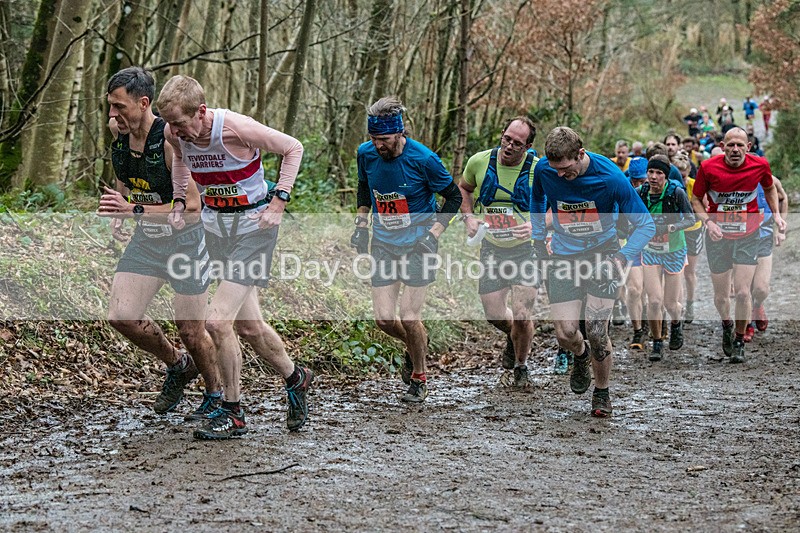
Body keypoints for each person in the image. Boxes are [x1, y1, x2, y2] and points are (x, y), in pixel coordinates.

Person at [157, 75, 313, 439]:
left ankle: (234, 412)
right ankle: (296, 377)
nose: (175, 131)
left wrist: (279, 200)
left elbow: (293, 148)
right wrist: (180, 199)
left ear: (201, 111)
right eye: (170, 124)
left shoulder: (236, 128)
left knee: (216, 321)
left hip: (255, 230)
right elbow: (180, 161)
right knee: (249, 327)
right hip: (217, 230)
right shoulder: (174, 135)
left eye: (180, 123)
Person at [97, 67, 221, 420]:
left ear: (143, 103)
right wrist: (121, 213)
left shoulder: (167, 139)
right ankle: (178, 365)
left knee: (192, 330)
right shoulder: (118, 135)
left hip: (186, 242)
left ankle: (216, 394)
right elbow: (126, 180)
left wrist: (133, 208)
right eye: (110, 106)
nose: (113, 114)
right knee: (122, 316)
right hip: (148, 241)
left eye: (119, 107)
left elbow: (194, 208)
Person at [530, 127, 655, 417]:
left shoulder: (611, 178)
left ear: (581, 154)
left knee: (597, 331)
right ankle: (581, 355)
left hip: (603, 255)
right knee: (566, 333)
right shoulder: (544, 171)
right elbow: (537, 202)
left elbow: (646, 224)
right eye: (555, 170)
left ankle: (601, 392)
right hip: (563, 255)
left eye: (566, 169)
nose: (560, 175)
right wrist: (538, 241)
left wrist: (623, 257)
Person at [351, 96, 462, 403]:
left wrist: (434, 234)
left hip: (418, 245)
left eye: (383, 140)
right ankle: (415, 347)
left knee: (410, 316)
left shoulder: (424, 159)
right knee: (385, 320)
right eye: (372, 139)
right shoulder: (366, 154)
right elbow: (364, 186)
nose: (377, 146)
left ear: (399, 133)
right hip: (384, 243)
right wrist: (361, 224)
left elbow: (453, 198)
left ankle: (419, 376)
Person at [691, 127, 787, 363]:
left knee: (744, 292)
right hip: (718, 236)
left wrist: (775, 215)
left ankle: (739, 339)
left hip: (748, 233)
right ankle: (726, 323)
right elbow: (696, 199)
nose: (735, 149)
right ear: (722, 147)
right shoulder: (708, 168)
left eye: (740, 145)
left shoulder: (760, 165)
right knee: (722, 296)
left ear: (748, 147)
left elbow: (769, 187)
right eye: (730, 145)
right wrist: (708, 224)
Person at [458, 117, 540, 388]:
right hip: (492, 247)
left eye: (517, 144)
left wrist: (536, 225)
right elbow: (465, 189)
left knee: (521, 313)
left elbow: (557, 202)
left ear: (528, 146)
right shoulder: (479, 161)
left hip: (526, 250)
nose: (509, 146)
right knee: (493, 313)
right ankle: (515, 336)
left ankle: (521, 366)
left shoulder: (539, 170)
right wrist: (468, 218)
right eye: (506, 139)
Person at [637, 155, 696, 361]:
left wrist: (669, 227)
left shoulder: (676, 192)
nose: (653, 177)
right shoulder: (641, 192)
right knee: (654, 301)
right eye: (651, 172)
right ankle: (656, 341)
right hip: (651, 251)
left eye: (659, 173)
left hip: (674, 250)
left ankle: (676, 323)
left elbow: (690, 219)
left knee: (671, 305)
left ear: (666, 175)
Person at [745, 177, 788, 341]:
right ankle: (746, 324)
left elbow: (783, 198)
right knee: (744, 288)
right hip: (740, 239)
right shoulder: (733, 180)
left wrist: (781, 228)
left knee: (761, 288)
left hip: (764, 236)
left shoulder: (770, 181)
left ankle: (757, 306)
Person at [675, 152, 704, 324]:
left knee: (689, 272)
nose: (681, 180)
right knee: (676, 270)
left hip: (693, 230)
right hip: (677, 231)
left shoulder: (694, 185)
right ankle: (678, 305)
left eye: (684, 176)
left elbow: (703, 205)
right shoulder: (668, 186)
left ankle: (690, 303)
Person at [623, 157, 649, 350]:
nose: (638, 185)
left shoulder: (662, 189)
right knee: (634, 290)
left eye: (642, 181)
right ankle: (638, 329)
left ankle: (653, 318)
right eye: (635, 182)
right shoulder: (622, 186)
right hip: (632, 244)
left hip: (656, 246)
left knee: (652, 292)